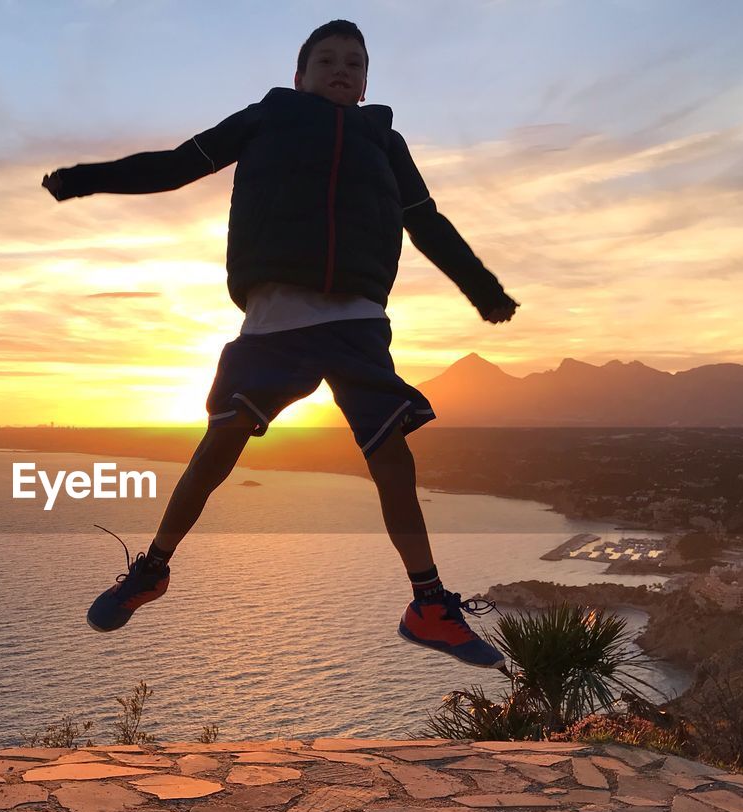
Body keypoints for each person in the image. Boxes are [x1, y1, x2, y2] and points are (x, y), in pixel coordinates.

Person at [41, 19, 517, 669]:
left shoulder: (386, 141)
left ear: (367, 80)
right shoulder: (269, 116)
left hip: (355, 320)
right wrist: (87, 178)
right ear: (300, 75)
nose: (343, 68)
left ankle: (428, 606)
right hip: (275, 319)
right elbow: (181, 164)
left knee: (390, 453)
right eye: (327, 59)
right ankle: (152, 570)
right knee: (222, 441)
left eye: (355, 62)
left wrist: (482, 288)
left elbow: (425, 222)